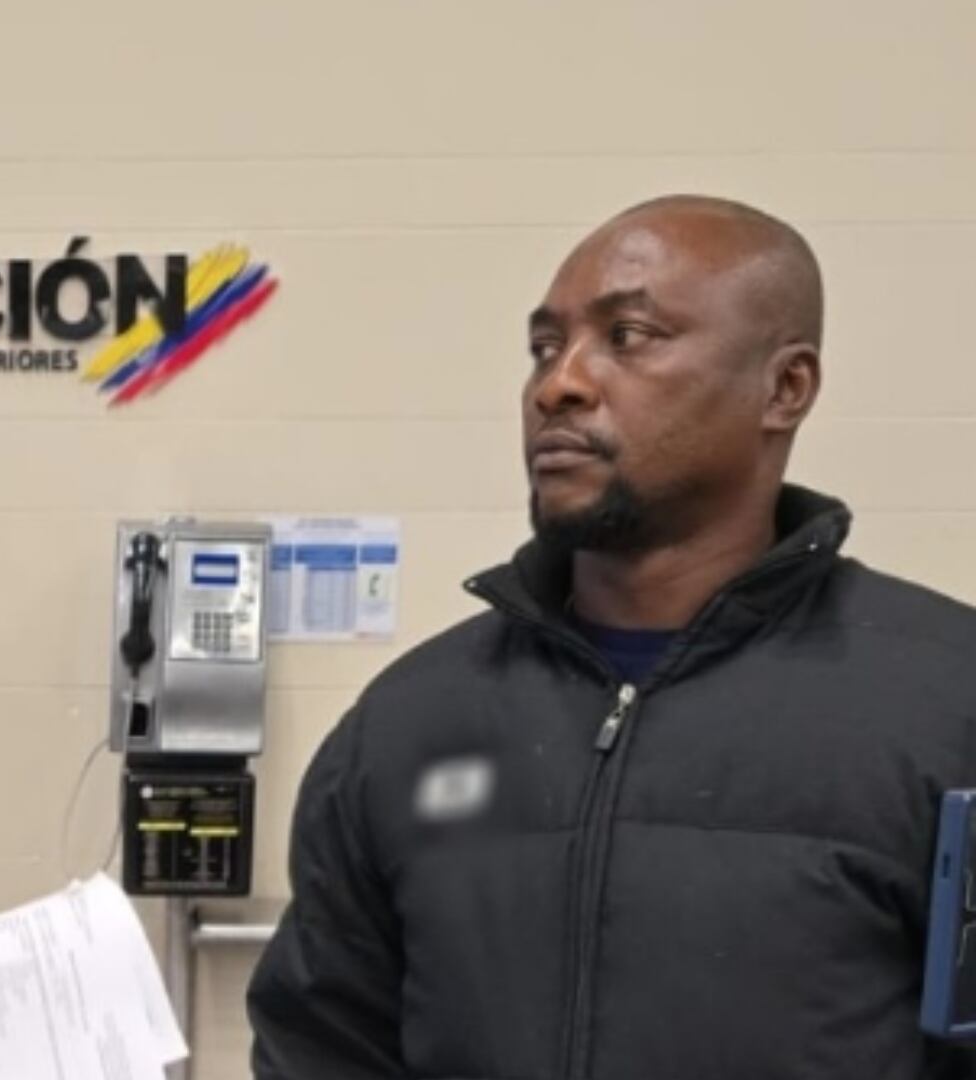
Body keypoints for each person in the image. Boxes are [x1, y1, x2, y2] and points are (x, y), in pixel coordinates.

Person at [248, 195, 976, 1079]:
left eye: (627, 337)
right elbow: (321, 1050)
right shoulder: (406, 725)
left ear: (784, 388)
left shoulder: (947, 702)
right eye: (545, 348)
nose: (560, 384)